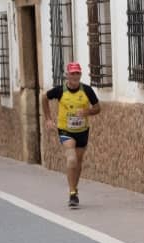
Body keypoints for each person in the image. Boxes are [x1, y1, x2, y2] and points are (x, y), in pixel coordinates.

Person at [42, 62, 100, 209]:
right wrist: (48, 118)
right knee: (72, 159)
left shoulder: (87, 90)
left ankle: (74, 190)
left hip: (82, 131)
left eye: (77, 73)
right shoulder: (60, 90)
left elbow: (98, 108)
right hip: (65, 130)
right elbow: (44, 97)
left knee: (78, 162)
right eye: (72, 73)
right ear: (67, 75)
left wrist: (87, 112)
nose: (75, 76)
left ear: (80, 75)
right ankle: (72, 192)